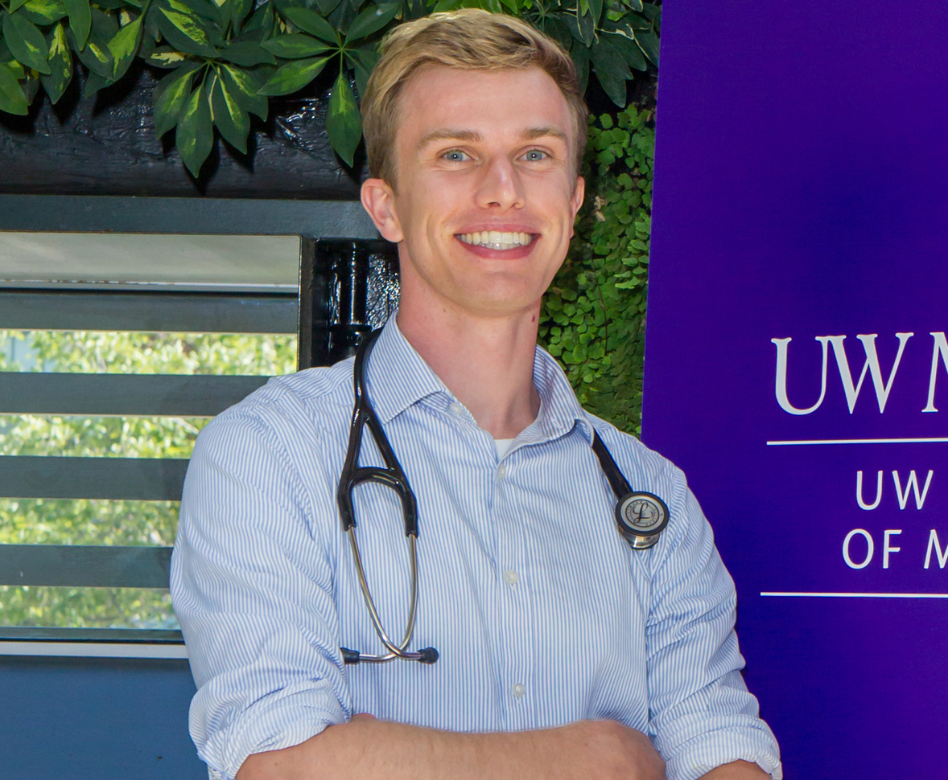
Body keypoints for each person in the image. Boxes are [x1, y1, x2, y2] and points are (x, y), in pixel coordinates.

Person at [169, 9, 781, 780]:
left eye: (535, 153)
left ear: (574, 202)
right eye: (456, 154)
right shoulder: (268, 457)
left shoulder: (651, 498)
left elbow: (717, 739)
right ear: (385, 205)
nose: (502, 191)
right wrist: (596, 757)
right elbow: (282, 763)